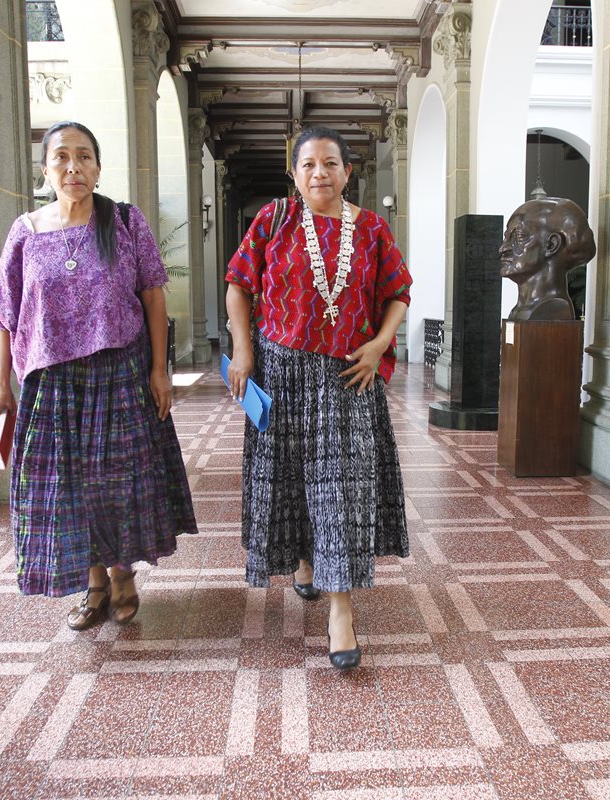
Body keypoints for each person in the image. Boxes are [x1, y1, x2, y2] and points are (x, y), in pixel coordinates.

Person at [0, 121, 197, 630]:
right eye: (61, 157)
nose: (73, 167)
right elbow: (5, 312)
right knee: (69, 488)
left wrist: (158, 370)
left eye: (84, 157)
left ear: (98, 169)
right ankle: (93, 583)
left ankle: (123, 576)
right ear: (45, 169)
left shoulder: (124, 222)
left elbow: (152, 296)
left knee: (117, 483)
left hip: (119, 372)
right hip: (51, 382)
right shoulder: (26, 232)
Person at [225, 127, 411, 671]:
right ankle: (304, 560)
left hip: (347, 378)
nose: (319, 173)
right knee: (292, 479)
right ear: (295, 174)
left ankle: (340, 612)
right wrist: (242, 350)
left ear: (349, 172)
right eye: (308, 164)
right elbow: (239, 283)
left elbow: (398, 293)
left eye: (330, 163)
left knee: (341, 492)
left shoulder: (372, 229)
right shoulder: (274, 220)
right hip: (281, 374)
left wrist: (378, 346)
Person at [499, 196, 596, 321]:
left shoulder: (554, 309)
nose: (502, 249)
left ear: (551, 245)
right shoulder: (518, 311)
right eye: (506, 238)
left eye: (519, 236)